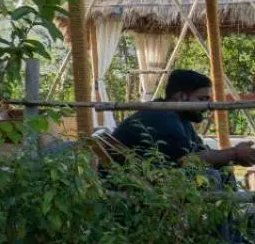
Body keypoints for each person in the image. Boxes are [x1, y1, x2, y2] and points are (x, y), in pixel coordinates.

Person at [109, 69, 255, 169]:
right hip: (135, 189)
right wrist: (234, 153)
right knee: (211, 177)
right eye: (202, 99)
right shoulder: (162, 119)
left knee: (223, 172)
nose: (206, 105)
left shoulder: (177, 117)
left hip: (152, 181)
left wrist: (236, 155)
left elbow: (200, 151)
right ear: (181, 97)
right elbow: (187, 161)